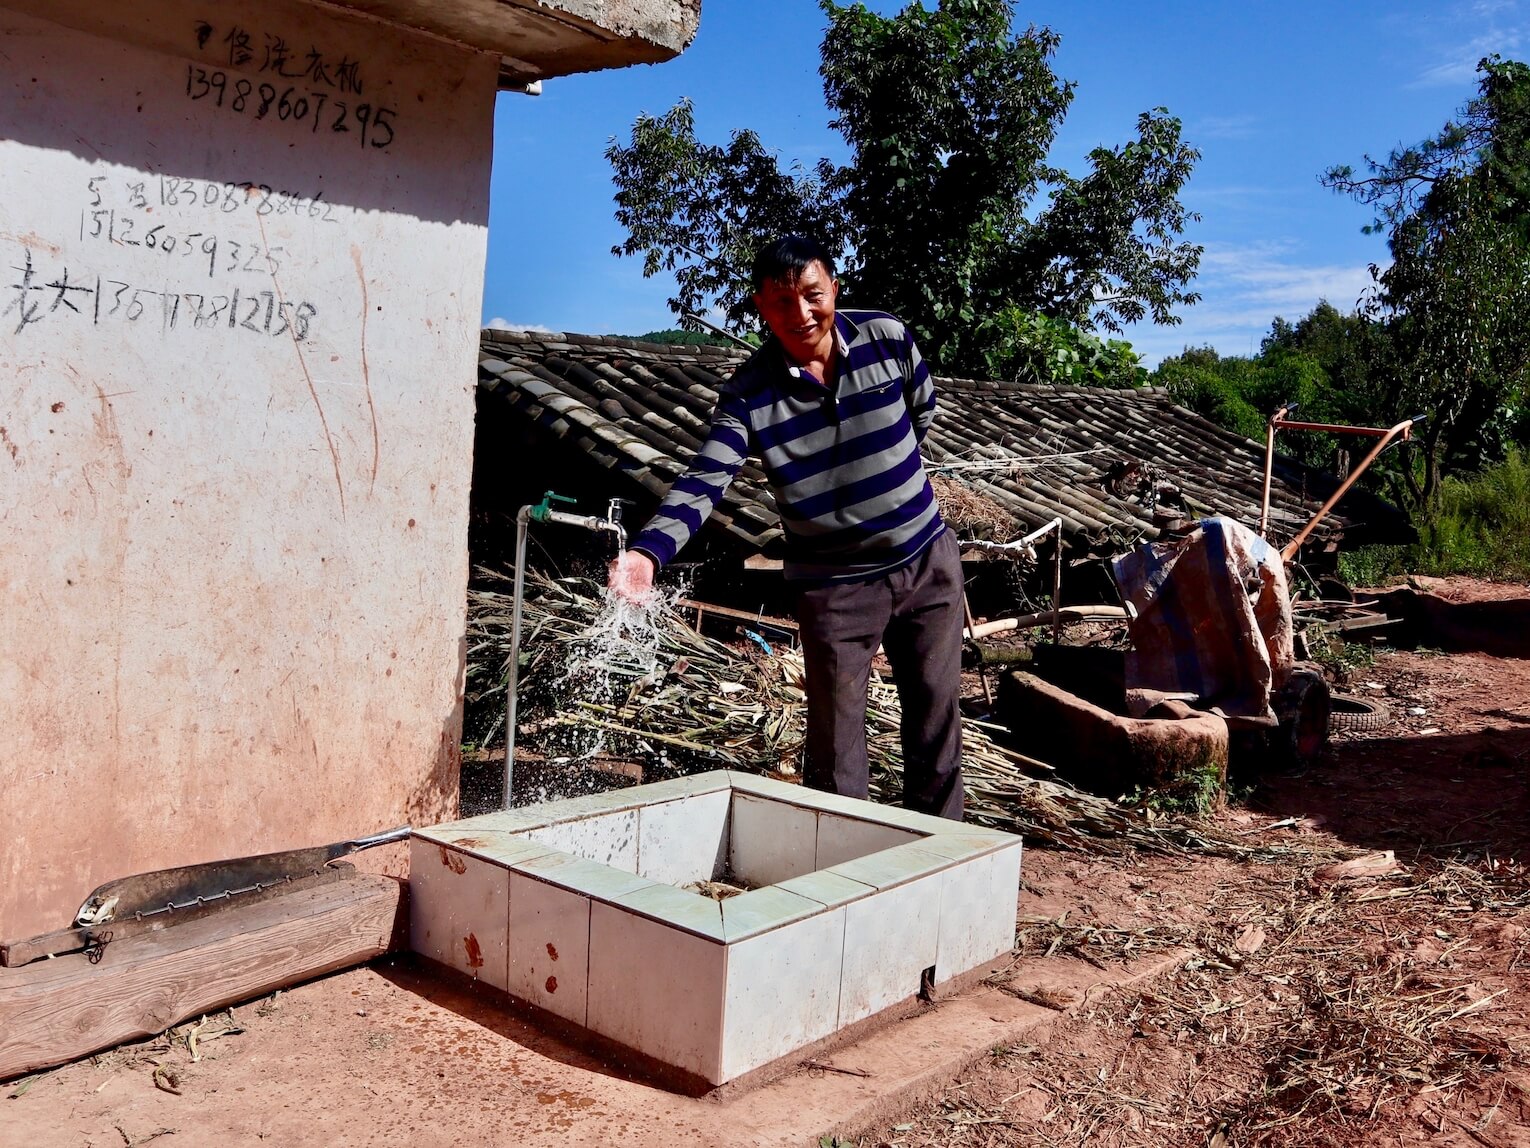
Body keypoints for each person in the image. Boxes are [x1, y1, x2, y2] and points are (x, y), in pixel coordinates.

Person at [608, 235, 965, 819]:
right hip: (835, 586)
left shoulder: (888, 338)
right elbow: (705, 480)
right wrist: (649, 553)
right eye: (780, 302)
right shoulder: (749, 394)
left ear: (834, 289)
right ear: (759, 308)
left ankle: (939, 860)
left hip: (928, 561)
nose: (800, 315)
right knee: (836, 739)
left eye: (811, 295)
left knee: (934, 716)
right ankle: (845, 874)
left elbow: (920, 413)